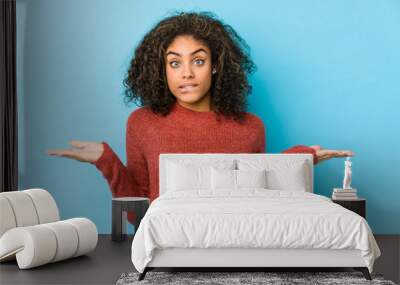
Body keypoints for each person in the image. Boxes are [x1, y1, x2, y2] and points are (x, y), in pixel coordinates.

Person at [47, 12, 353, 223]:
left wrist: (301, 158)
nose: (187, 73)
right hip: (168, 245)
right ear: (161, 70)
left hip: (238, 240)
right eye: (174, 63)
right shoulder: (142, 122)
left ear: (216, 65)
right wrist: (106, 160)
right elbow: (137, 214)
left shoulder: (250, 127)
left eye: (198, 60)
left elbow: (258, 192)